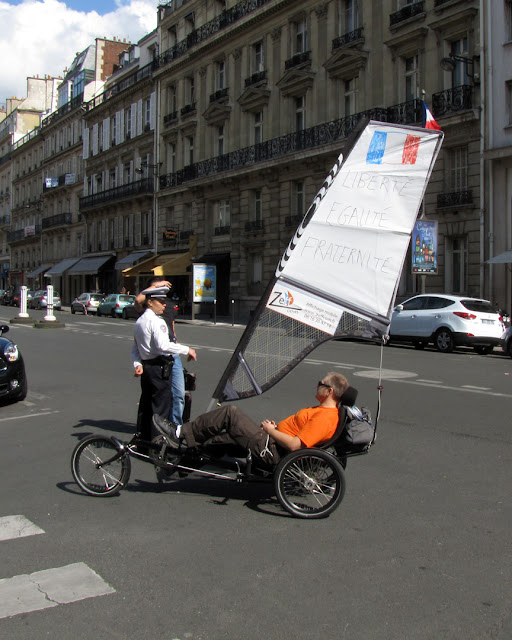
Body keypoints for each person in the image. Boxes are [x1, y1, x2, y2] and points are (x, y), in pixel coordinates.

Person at [153, 372, 348, 467]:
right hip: (271, 441)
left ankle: (179, 433)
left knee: (231, 413)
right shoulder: (323, 411)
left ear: (329, 391)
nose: (317, 385)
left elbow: (296, 445)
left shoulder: (325, 417)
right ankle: (181, 464)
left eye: (320, 384)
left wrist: (272, 431)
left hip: (272, 450)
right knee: (222, 440)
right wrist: (275, 429)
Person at [131, 287, 197, 442]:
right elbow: (163, 346)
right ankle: (158, 442)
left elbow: (135, 348)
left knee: (146, 405)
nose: (164, 305)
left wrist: (137, 364)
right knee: (161, 407)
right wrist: (187, 349)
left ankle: (142, 439)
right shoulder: (156, 321)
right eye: (160, 302)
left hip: (147, 367)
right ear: (150, 302)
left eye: (164, 301)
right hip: (158, 367)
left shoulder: (139, 321)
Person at [135, 278, 186, 428]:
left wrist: (175, 340)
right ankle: (158, 429)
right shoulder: (147, 309)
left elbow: (171, 324)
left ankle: (175, 427)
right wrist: (154, 286)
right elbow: (138, 300)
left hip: (172, 353)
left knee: (179, 394)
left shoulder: (167, 305)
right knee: (157, 397)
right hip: (157, 357)